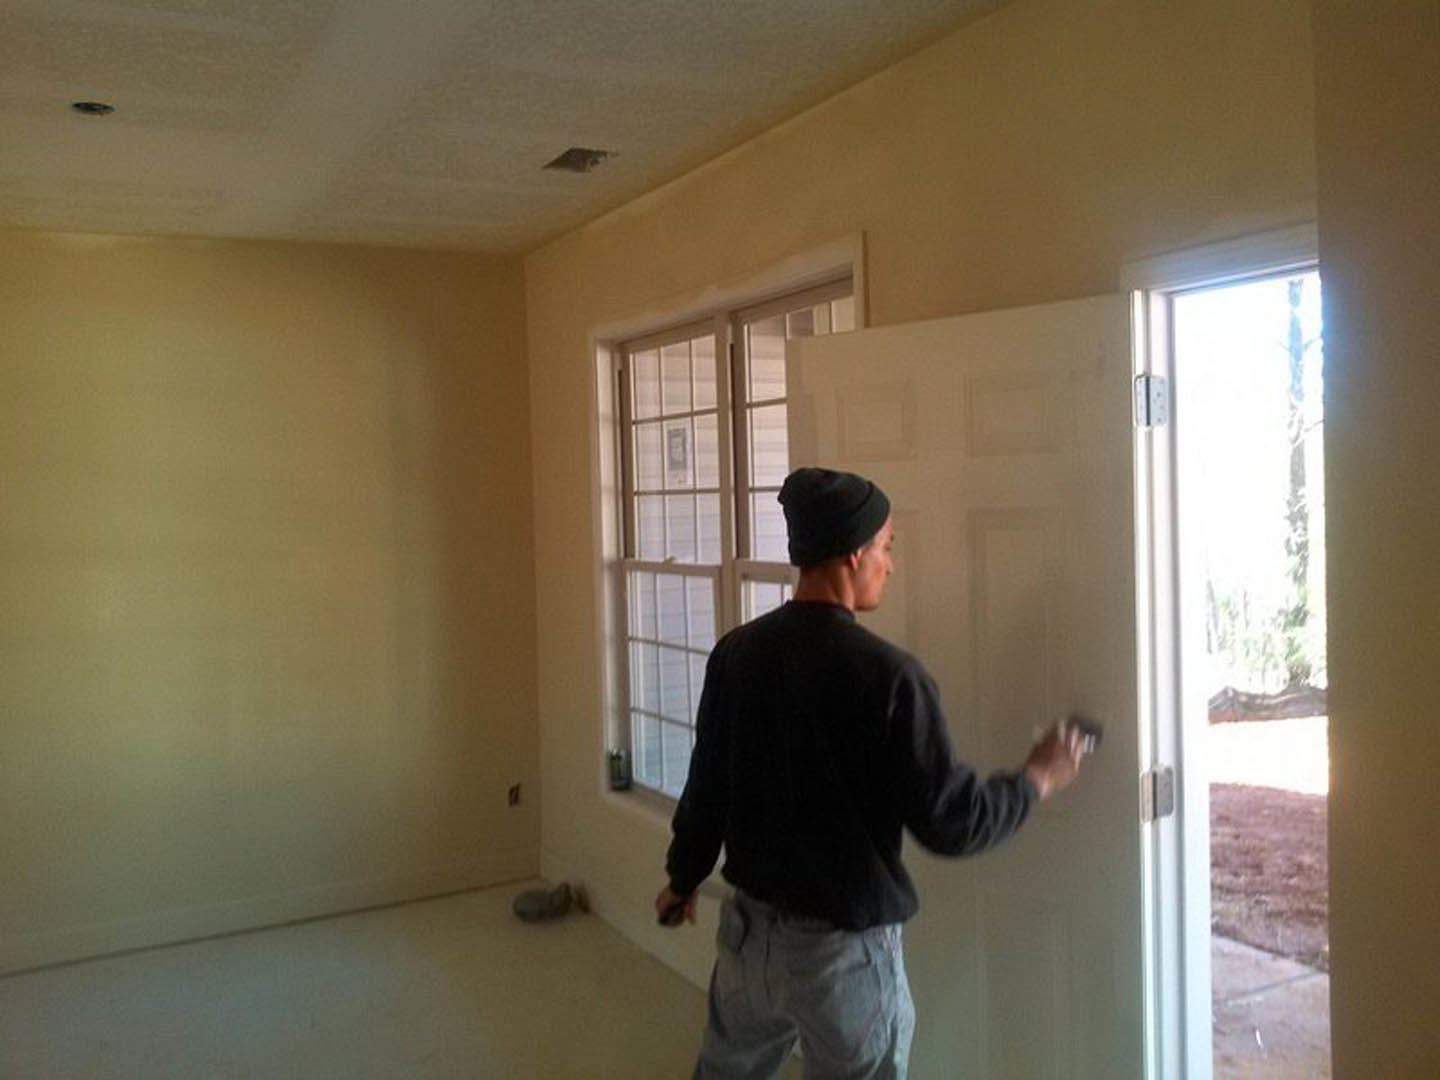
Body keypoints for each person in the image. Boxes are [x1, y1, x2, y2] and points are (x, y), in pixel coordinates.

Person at [655, 466, 1088, 1079]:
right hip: (842, 957)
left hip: (748, 940)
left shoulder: (737, 653)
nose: (891, 564)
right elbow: (953, 824)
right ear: (854, 553)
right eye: (886, 547)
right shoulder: (888, 677)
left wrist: (682, 879)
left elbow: (707, 789)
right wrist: (1038, 777)